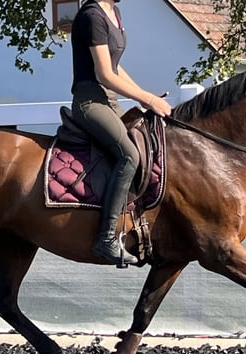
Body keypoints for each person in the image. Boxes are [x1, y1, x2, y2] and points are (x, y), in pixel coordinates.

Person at [70, 0, 172, 266]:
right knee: (129, 155)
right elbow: (104, 74)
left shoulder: (114, 13)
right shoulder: (92, 16)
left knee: (147, 144)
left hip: (110, 101)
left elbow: (116, 67)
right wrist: (147, 99)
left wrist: (141, 96)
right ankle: (105, 239)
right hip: (90, 102)